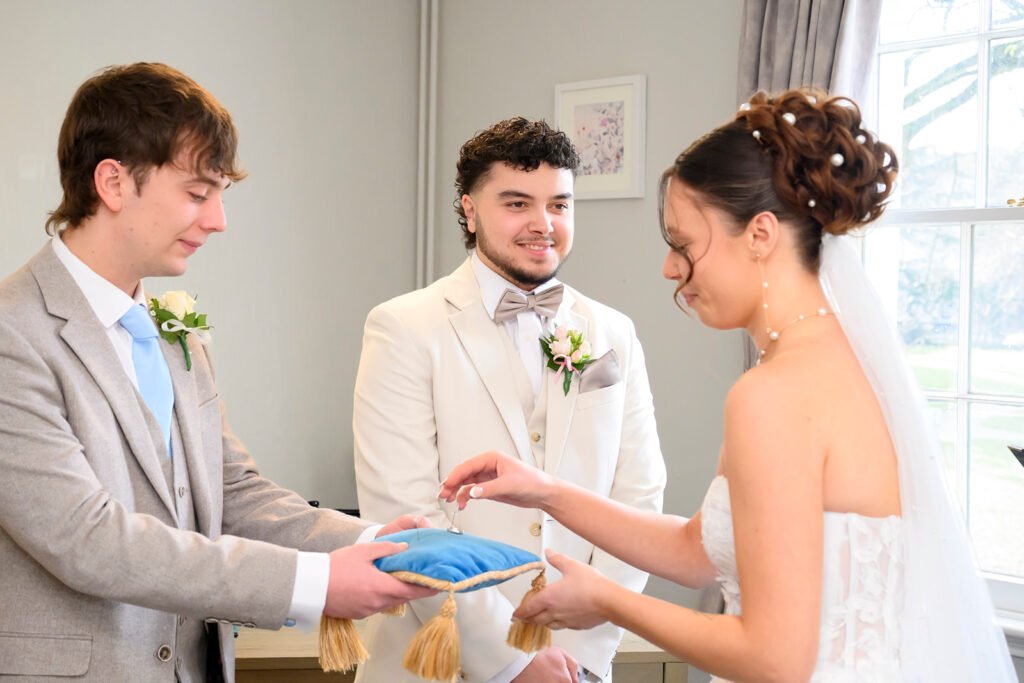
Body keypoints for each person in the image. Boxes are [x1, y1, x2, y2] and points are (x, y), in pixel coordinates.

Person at [440, 90, 1017, 682]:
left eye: (684, 244)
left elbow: (772, 660)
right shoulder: (844, 360)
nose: (669, 268)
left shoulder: (773, 394)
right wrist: (544, 490)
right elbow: (698, 551)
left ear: (760, 235)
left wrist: (609, 601)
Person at [0, 62, 434, 683]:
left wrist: (366, 543)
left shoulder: (172, 333)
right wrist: (313, 583)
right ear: (113, 182)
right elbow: (86, 539)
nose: (218, 221)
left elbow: (230, 492)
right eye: (198, 194)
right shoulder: (12, 334)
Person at [352, 117, 666, 683]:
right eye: (517, 203)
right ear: (470, 211)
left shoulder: (613, 332)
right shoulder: (403, 326)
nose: (543, 224)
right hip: (440, 660)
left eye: (560, 205)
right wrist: (513, 663)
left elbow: (639, 497)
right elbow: (404, 512)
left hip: (580, 662)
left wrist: (587, 648)